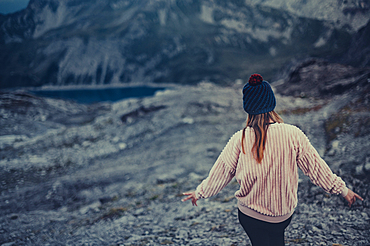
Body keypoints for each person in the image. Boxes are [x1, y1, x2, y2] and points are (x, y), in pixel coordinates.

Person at [181, 74, 364, 246]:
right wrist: (342, 190)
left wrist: (200, 192)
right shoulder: (293, 134)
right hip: (282, 216)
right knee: (277, 239)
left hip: (249, 215)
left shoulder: (240, 138)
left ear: (249, 108)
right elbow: (316, 168)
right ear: (271, 103)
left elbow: (222, 172)